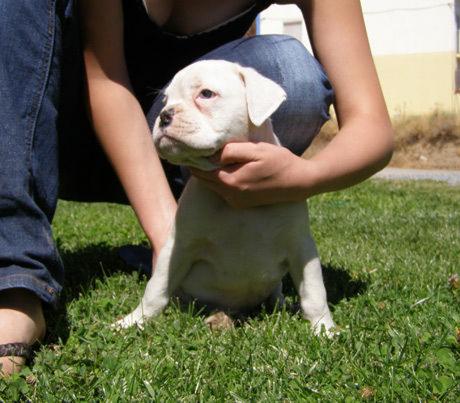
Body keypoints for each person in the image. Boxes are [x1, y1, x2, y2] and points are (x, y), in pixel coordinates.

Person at [0, 0, 393, 376]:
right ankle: (14, 276)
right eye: (171, 101)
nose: (175, 107)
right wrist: (168, 233)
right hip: (49, 122)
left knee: (292, 69)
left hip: (197, 159)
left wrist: (301, 178)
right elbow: (105, 78)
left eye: (205, 95)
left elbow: (373, 128)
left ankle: (227, 224)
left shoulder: (249, 90)